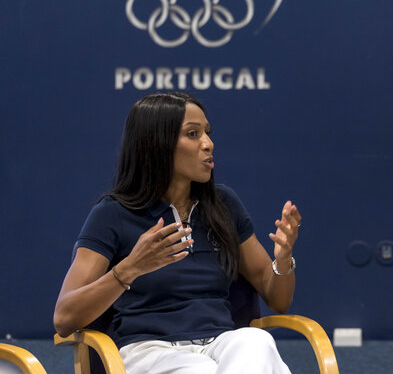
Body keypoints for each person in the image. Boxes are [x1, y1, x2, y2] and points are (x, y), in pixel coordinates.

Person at [53, 92, 301, 374]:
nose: (208, 144)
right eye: (193, 134)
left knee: (257, 341)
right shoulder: (113, 214)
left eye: (207, 133)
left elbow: (278, 300)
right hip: (149, 351)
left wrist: (282, 261)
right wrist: (130, 268)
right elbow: (64, 317)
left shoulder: (223, 206)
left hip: (221, 346)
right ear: (158, 144)